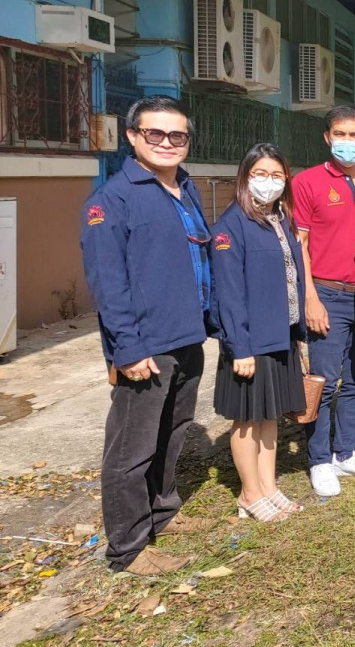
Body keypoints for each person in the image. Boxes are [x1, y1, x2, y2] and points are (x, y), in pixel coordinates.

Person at [80, 96, 217, 575]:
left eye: (177, 135)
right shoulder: (112, 201)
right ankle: (129, 546)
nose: (166, 142)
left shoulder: (184, 188)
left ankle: (163, 510)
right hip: (146, 346)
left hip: (187, 335)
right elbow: (108, 283)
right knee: (131, 448)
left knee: (172, 432)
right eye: (154, 133)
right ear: (133, 136)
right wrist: (128, 348)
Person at [292, 106, 355, 497]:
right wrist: (310, 298)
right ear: (327, 137)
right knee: (323, 380)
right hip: (326, 294)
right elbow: (300, 244)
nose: (347, 142)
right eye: (340, 134)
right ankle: (319, 459)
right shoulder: (307, 182)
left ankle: (345, 452)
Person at [210, 144, 307, 522]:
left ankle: (268, 486)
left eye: (277, 175)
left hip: (280, 334)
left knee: (269, 416)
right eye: (260, 174)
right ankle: (249, 493)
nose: (269, 182)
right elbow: (229, 292)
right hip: (250, 341)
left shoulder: (280, 218)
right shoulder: (232, 225)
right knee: (248, 419)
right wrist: (240, 347)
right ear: (245, 177)